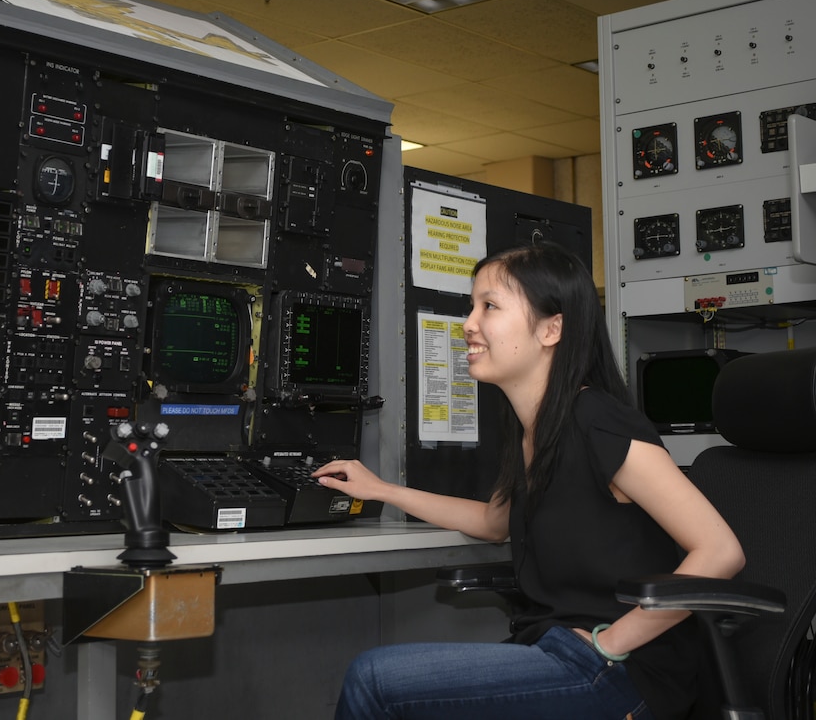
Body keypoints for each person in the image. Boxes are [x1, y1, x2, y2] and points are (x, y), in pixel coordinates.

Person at [312, 241, 745, 720]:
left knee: (374, 679)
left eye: (489, 307)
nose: (468, 324)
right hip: (555, 648)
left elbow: (720, 552)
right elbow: (493, 521)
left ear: (550, 329)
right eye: (471, 306)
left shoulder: (599, 421)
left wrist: (611, 643)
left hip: (623, 671)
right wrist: (380, 490)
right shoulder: (531, 430)